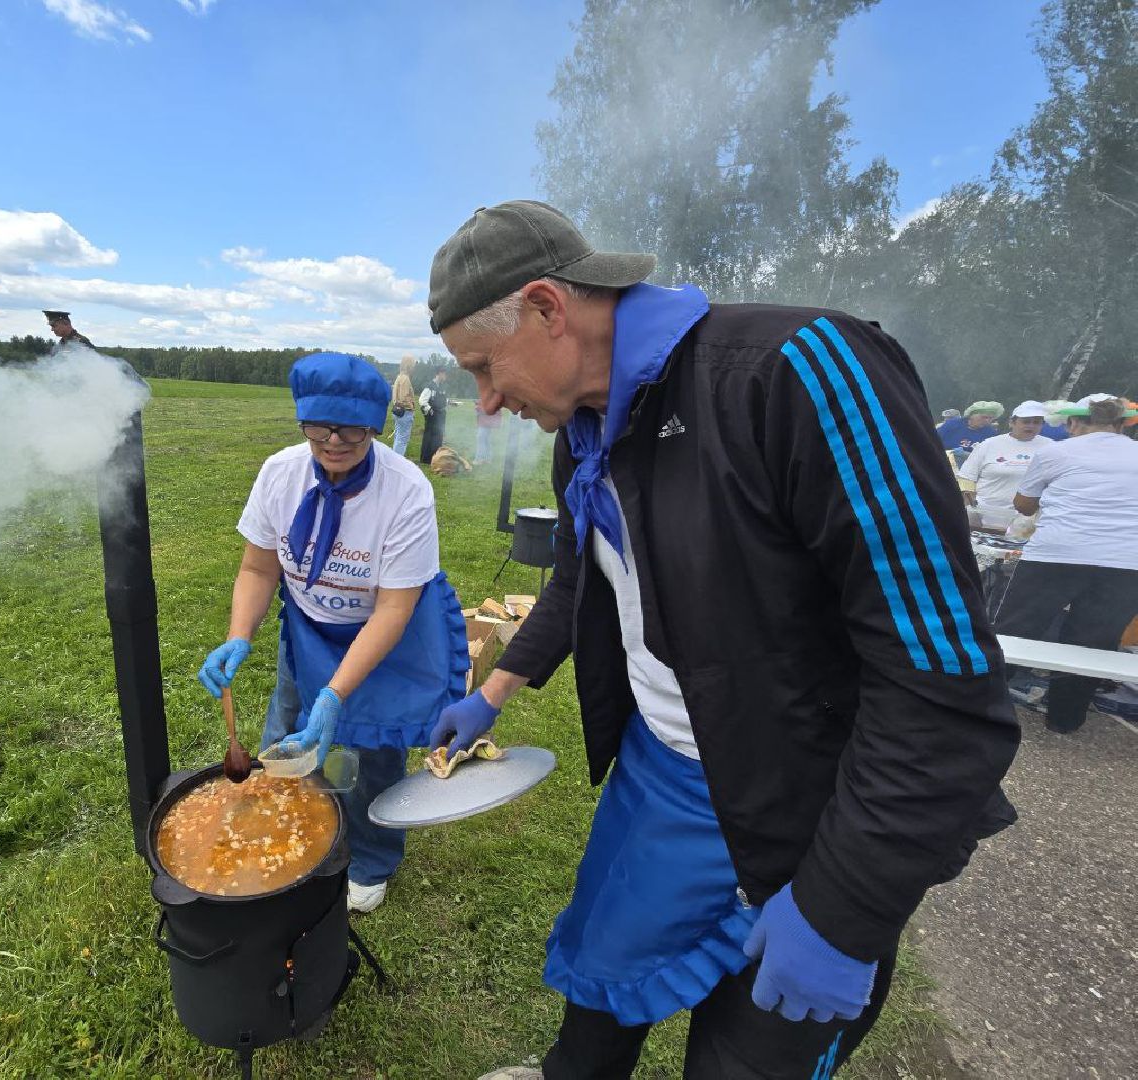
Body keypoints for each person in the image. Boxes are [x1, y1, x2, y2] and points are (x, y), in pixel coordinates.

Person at [423, 201, 1018, 1080]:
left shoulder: (796, 372)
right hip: (660, 778)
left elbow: (942, 687)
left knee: (745, 1058)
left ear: (549, 308)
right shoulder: (582, 432)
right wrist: (494, 690)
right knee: (595, 989)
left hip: (806, 811)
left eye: (482, 367)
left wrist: (843, 912)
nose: (485, 402)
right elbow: (586, 578)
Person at [197, 352, 467, 913]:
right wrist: (239, 634)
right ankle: (289, 833)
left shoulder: (406, 490)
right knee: (286, 733)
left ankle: (370, 858)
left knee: (376, 747)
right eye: (319, 427)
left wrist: (337, 693)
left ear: (375, 424)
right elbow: (258, 567)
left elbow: (394, 610)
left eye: (353, 429)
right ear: (302, 421)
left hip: (386, 633)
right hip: (310, 628)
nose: (335, 441)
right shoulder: (280, 474)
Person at [995, 393, 1138, 733]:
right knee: (1094, 641)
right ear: (1122, 424)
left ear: (1074, 422)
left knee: (1017, 628)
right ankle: (1065, 719)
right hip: (1127, 560)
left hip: (1058, 553)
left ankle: (986, 704)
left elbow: (1025, 505)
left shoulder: (1055, 452)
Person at [957, 400, 1052, 530]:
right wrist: (970, 511)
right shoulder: (989, 444)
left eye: (1036, 422)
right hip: (984, 517)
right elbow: (967, 478)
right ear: (1012, 422)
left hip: (1027, 522)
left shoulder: (1052, 448)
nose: (1031, 426)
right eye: (1026, 421)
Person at [936, 401, 1003, 454]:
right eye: (984, 417)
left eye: (990, 418)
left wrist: (966, 454)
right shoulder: (952, 424)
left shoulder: (990, 434)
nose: (988, 420)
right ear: (972, 415)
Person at [418, 368, 449, 464]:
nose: (445, 376)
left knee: (438, 436)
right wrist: (429, 410)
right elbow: (422, 400)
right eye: (444, 374)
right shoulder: (430, 386)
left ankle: (435, 457)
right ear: (439, 374)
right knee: (429, 436)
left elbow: (443, 399)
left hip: (441, 415)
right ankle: (426, 459)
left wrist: (449, 403)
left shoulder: (442, 386)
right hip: (432, 416)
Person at [390, 355, 417, 457]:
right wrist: (411, 406)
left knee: (398, 437)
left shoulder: (399, 377)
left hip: (398, 412)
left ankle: (394, 459)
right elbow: (403, 397)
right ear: (409, 365)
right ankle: (397, 461)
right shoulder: (405, 379)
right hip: (405, 412)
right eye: (413, 365)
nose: (414, 367)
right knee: (402, 439)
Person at [474, 400, 503, 464]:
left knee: (481, 439)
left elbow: (490, 408)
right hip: (486, 422)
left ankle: (479, 459)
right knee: (486, 441)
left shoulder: (491, 397)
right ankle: (488, 459)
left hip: (486, 423)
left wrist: (478, 407)